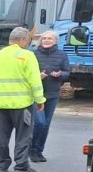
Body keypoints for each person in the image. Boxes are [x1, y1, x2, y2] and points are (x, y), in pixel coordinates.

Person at [0, 26, 46, 172]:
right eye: (28, 41)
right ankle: (21, 166)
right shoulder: (27, 56)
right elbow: (35, 80)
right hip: (22, 104)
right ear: (23, 40)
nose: (28, 44)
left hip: (1, 105)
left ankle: (1, 164)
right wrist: (40, 100)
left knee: (2, 136)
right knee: (23, 136)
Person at [30, 30, 70, 162]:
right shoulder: (33, 54)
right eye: (44, 38)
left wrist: (60, 74)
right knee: (39, 123)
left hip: (52, 93)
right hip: (36, 94)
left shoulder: (61, 54)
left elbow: (67, 72)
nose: (46, 40)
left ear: (55, 41)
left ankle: (38, 150)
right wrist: (38, 77)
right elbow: (27, 74)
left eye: (50, 39)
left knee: (46, 124)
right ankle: (31, 149)